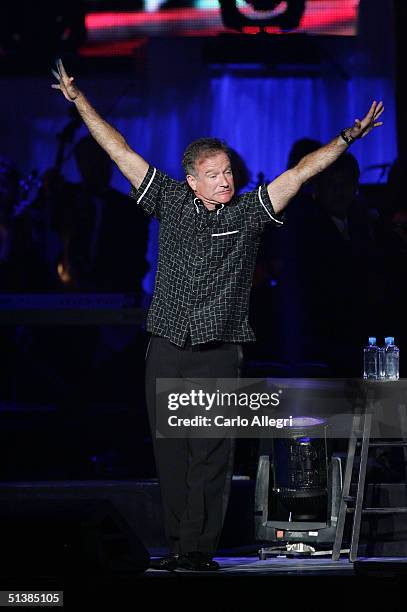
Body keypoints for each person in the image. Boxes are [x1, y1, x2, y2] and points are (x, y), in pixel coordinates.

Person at [52, 59, 384, 571]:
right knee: (172, 454)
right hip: (166, 345)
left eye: (228, 171)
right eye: (214, 175)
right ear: (192, 181)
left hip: (219, 350)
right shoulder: (167, 198)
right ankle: (178, 546)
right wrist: (79, 102)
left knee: (212, 455)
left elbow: (299, 173)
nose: (225, 180)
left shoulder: (249, 212)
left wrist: (348, 136)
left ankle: (200, 550)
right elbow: (118, 149)